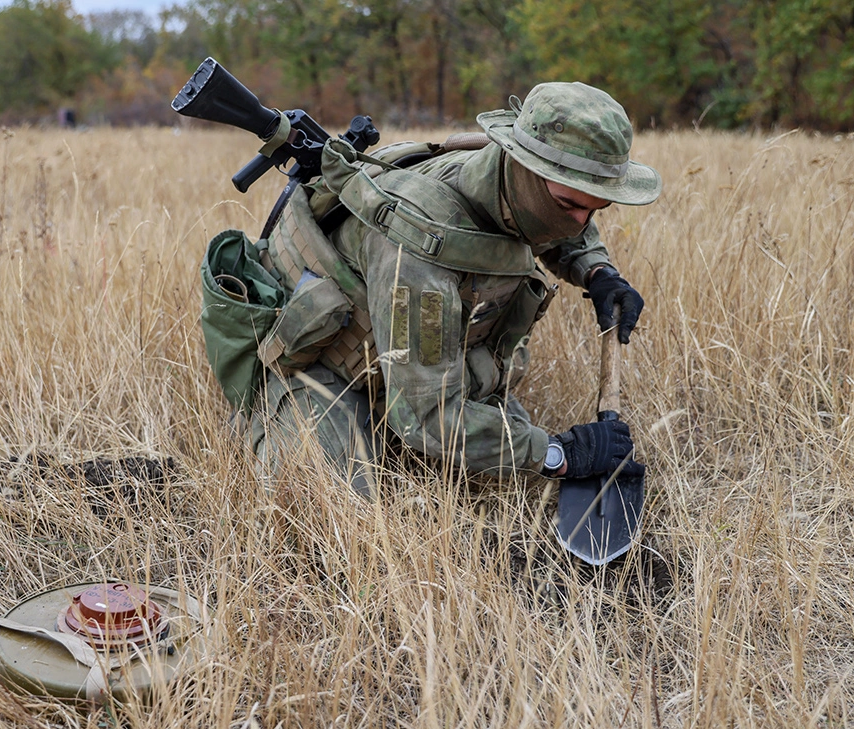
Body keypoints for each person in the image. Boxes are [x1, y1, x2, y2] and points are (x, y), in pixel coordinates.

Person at [246, 82, 661, 497]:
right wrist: (557, 454)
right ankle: (278, 414)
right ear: (524, 170)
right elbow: (426, 418)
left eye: (596, 208)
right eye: (568, 206)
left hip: (412, 362)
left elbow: (569, 221)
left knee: (500, 465)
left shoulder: (511, 182)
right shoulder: (421, 244)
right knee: (336, 500)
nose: (579, 222)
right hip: (327, 372)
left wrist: (598, 272)